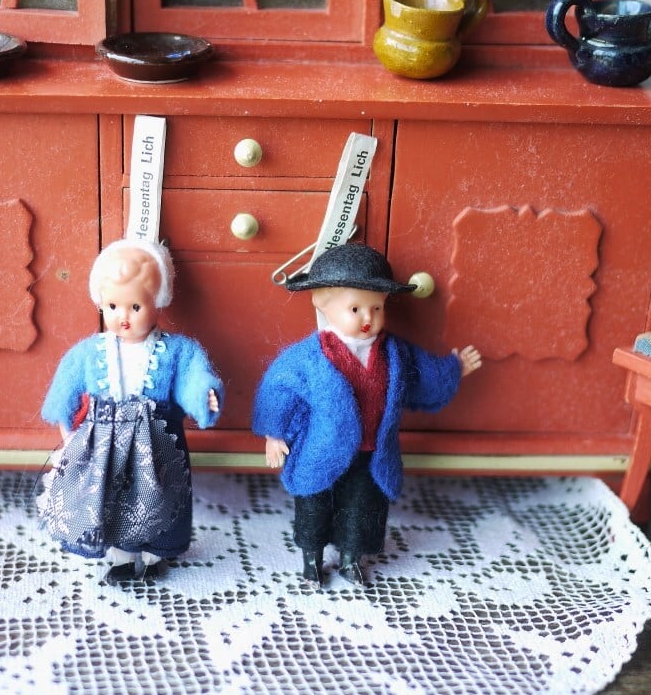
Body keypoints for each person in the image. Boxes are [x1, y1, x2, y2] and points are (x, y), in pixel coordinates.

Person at [253, 242, 481, 589]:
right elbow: (279, 388)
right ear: (322, 304)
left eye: (376, 307)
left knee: (362, 509)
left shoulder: (394, 352)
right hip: (320, 449)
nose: (367, 318)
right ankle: (312, 560)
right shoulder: (309, 357)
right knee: (314, 505)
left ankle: (350, 559)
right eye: (355, 308)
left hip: (372, 452)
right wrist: (275, 434)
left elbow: (422, 375)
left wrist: (453, 369)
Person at [38, 238, 222, 583]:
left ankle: (155, 555)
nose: (123, 317)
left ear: (158, 302)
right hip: (106, 445)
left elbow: (192, 377)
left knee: (160, 495)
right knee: (114, 497)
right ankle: (122, 556)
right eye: (112, 306)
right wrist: (68, 433)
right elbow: (66, 390)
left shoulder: (177, 351)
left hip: (158, 442)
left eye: (135, 306)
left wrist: (204, 395)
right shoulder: (89, 352)